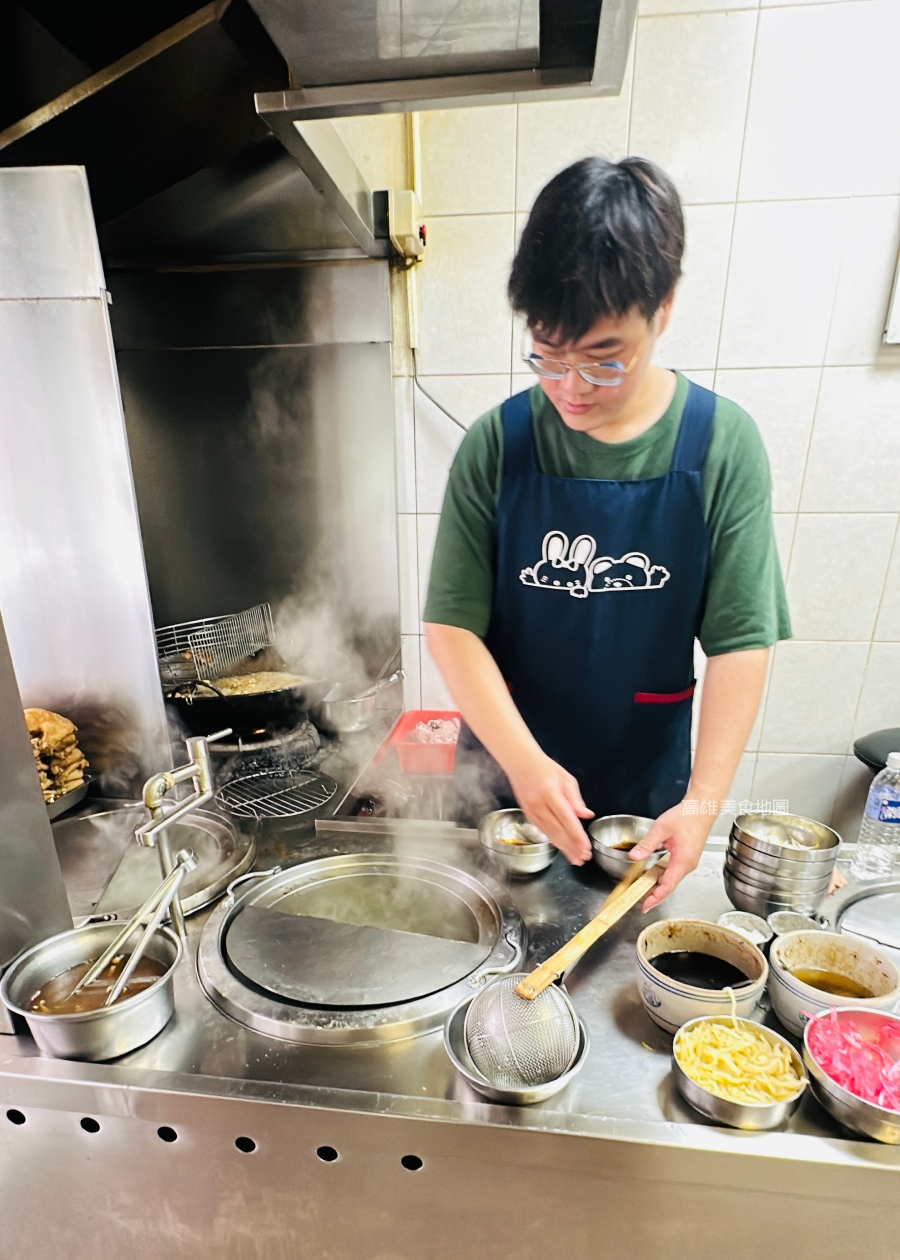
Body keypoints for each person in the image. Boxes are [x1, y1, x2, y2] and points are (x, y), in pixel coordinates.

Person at [423, 156, 790, 910]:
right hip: (500, 789)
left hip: (644, 799)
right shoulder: (497, 444)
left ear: (664, 309)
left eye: (602, 362)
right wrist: (525, 765)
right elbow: (451, 627)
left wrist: (704, 801)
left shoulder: (722, 445)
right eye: (548, 356)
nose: (570, 390)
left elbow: (740, 641)